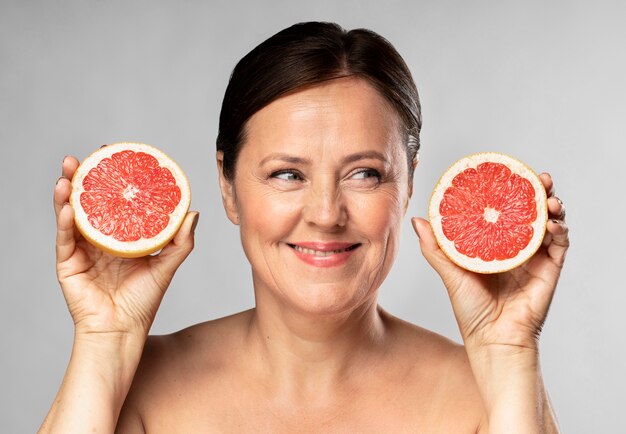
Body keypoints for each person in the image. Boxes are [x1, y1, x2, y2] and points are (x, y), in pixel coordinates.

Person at [40, 22, 569, 433]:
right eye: (287, 174)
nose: (324, 213)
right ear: (228, 187)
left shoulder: (486, 396)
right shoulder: (131, 386)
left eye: (364, 174)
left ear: (407, 185)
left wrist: (509, 354)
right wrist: (104, 340)